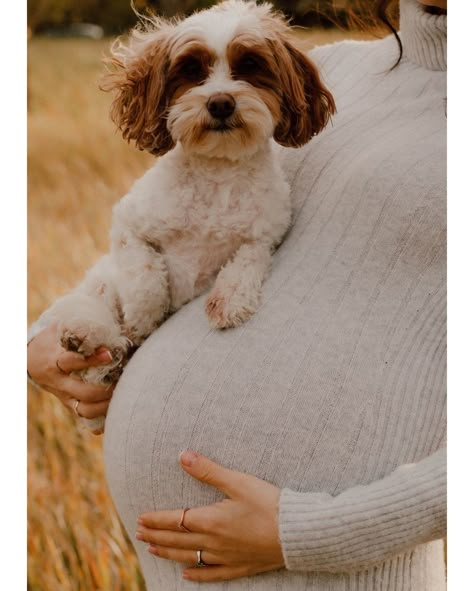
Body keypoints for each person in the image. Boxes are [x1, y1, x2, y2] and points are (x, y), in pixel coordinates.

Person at [27, 0, 447, 588]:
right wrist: (45, 337)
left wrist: (307, 532)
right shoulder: (337, 70)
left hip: (327, 570)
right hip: (176, 563)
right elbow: (169, 226)